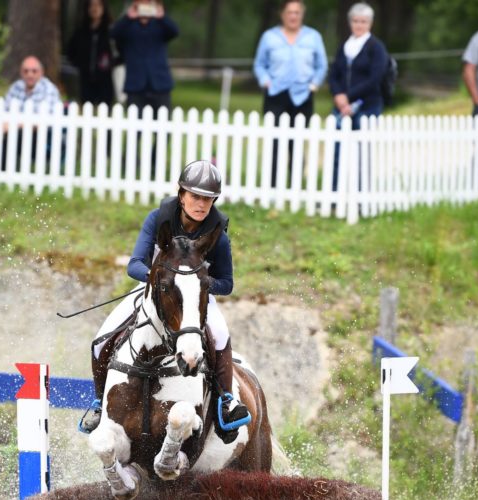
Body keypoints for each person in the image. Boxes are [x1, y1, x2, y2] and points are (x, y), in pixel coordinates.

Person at [79, 160, 249, 435]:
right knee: (100, 341)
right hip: (154, 292)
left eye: (208, 199)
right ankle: (100, 403)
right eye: (195, 196)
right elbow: (134, 263)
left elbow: (227, 284)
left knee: (219, 334)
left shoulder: (218, 236)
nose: (201, 204)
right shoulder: (159, 219)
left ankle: (226, 401)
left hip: (195, 298)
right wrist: (159, 282)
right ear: (181, 195)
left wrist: (199, 284)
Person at [253, 0, 327, 185]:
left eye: (297, 12)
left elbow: (322, 65)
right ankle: (272, 184)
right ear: (282, 14)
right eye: (290, 12)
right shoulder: (269, 37)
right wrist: (265, 81)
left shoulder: (313, 37)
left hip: (303, 95)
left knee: (297, 141)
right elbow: (260, 64)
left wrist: (314, 84)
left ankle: (294, 184)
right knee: (275, 141)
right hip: (276, 94)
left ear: (302, 14)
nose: (293, 16)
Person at [328, 3, 388, 129]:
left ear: (370, 23)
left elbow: (375, 79)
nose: (359, 25)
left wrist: (348, 96)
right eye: (355, 21)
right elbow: (333, 74)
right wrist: (338, 95)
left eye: (363, 22)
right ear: (350, 22)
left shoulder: (376, 47)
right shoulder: (344, 46)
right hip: (341, 106)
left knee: (363, 147)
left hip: (367, 105)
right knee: (337, 147)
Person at [111, 0, 178, 111]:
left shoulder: (160, 24)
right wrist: (128, 17)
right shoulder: (128, 26)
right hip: (135, 86)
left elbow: (175, 31)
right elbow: (114, 33)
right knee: (136, 126)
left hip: (159, 85)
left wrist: (162, 17)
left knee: (162, 125)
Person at [66, 0, 117, 107]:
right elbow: (70, 52)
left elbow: (119, 53)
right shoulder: (81, 32)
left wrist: (110, 64)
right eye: (91, 5)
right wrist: (81, 64)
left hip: (105, 80)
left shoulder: (111, 31)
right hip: (85, 80)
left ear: (104, 8)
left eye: (98, 5)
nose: (95, 8)